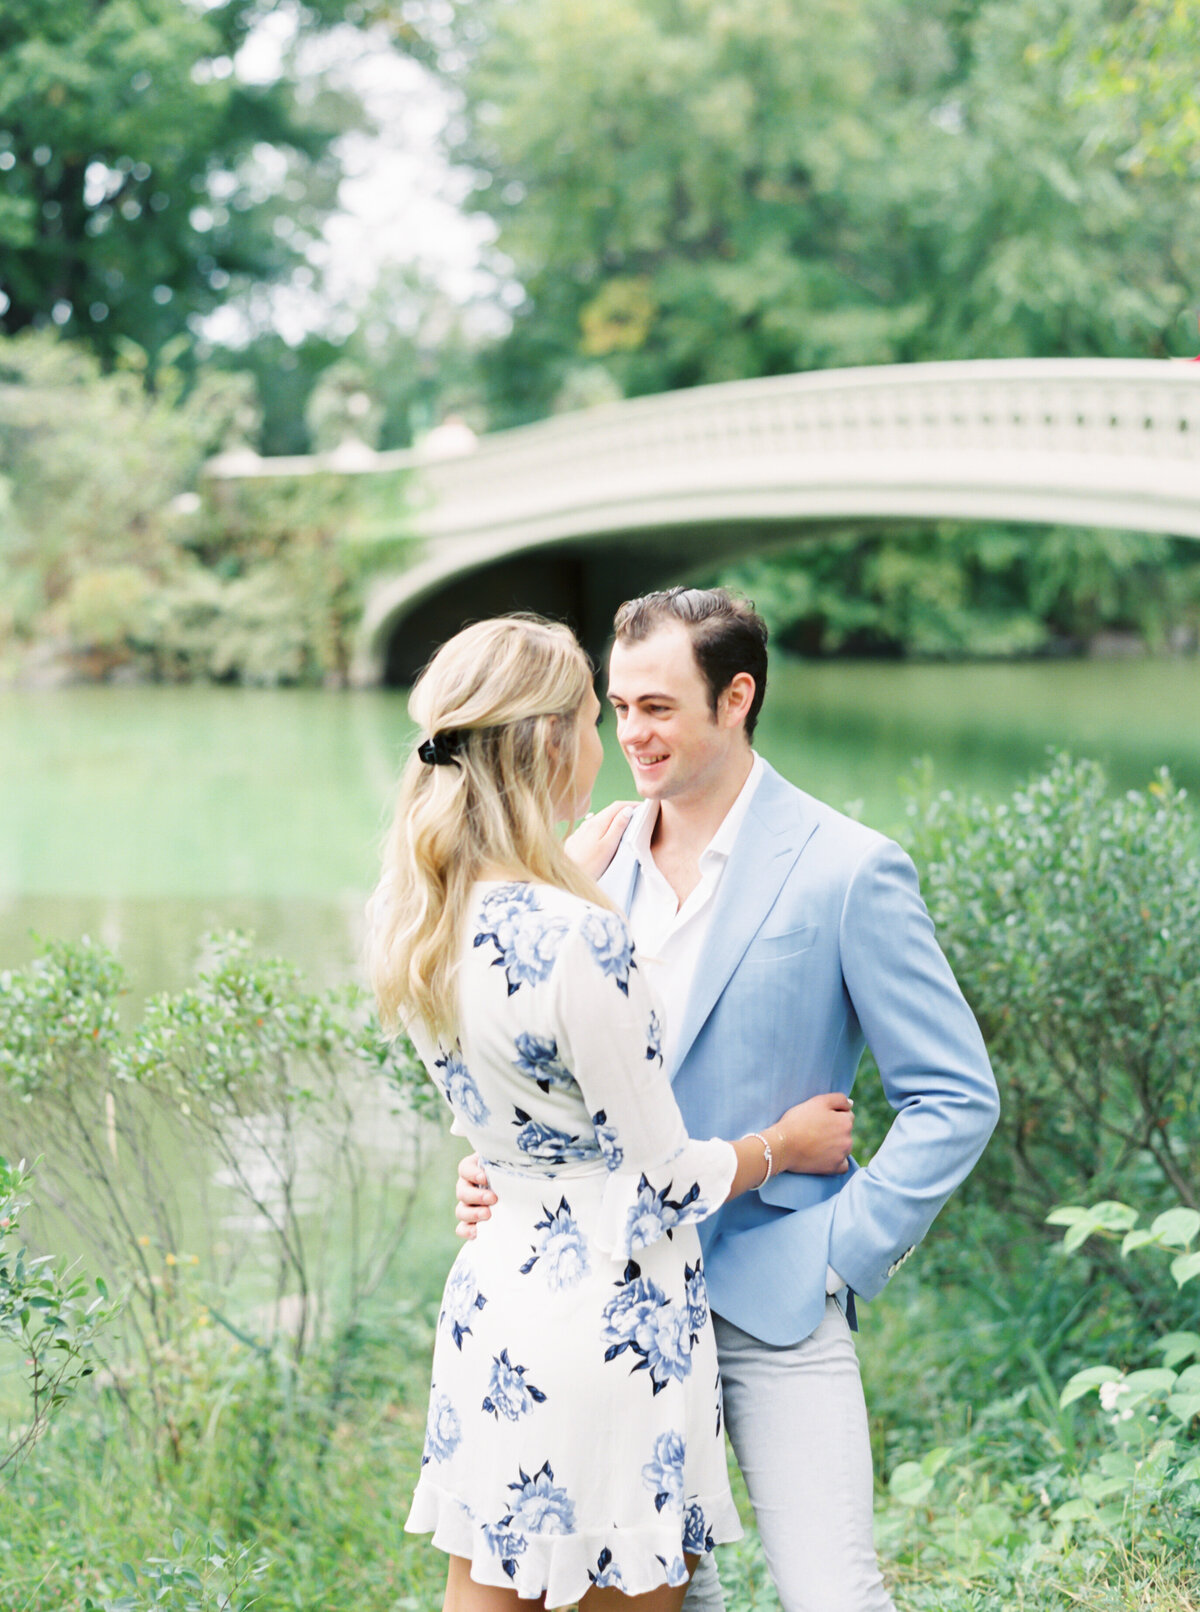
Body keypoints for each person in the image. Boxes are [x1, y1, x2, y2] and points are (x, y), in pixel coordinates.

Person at [457, 588, 1001, 1612]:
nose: (630, 734)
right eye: (615, 708)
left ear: (736, 696)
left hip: (776, 1300)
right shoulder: (586, 865)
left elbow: (956, 1095)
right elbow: (555, 1064)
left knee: (836, 1594)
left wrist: (841, 1246)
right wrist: (505, 1171)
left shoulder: (848, 868)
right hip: (615, 1308)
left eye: (656, 707)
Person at [366, 614, 859, 1612]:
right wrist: (784, 1144)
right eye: (598, 716)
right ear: (554, 742)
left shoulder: (417, 911)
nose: (611, 741)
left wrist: (570, 878)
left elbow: (515, 1104)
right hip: (607, 1321)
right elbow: (666, 1176)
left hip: (495, 1310)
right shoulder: (582, 934)